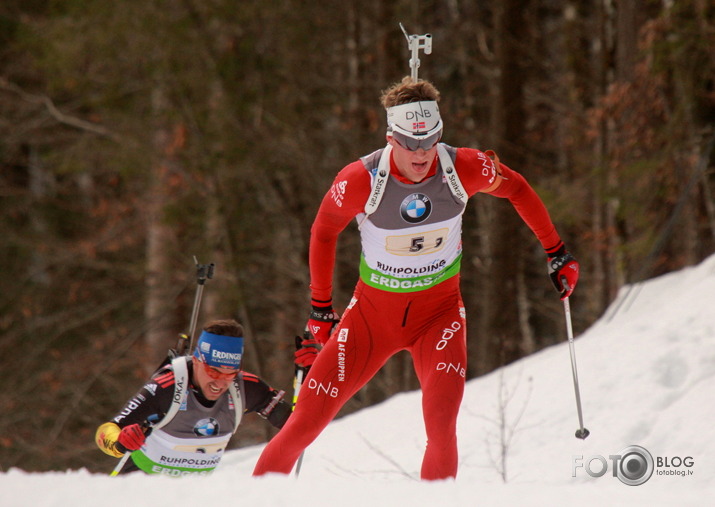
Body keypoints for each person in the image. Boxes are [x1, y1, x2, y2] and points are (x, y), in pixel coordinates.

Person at [253, 77, 579, 480]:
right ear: (392, 138)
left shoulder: (464, 166)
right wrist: (321, 307)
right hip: (371, 320)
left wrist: (557, 251)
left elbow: (517, 188)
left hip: (438, 318)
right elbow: (323, 230)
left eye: (431, 140)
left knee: (442, 431)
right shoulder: (362, 179)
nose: (422, 153)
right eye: (410, 142)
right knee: (302, 426)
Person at [96, 319, 291, 476]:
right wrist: (121, 442)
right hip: (140, 484)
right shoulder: (167, 388)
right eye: (213, 372)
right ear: (197, 361)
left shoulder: (247, 388)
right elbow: (105, 433)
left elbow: (298, 422)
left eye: (229, 374)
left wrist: (312, 376)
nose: (220, 383)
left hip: (191, 493)